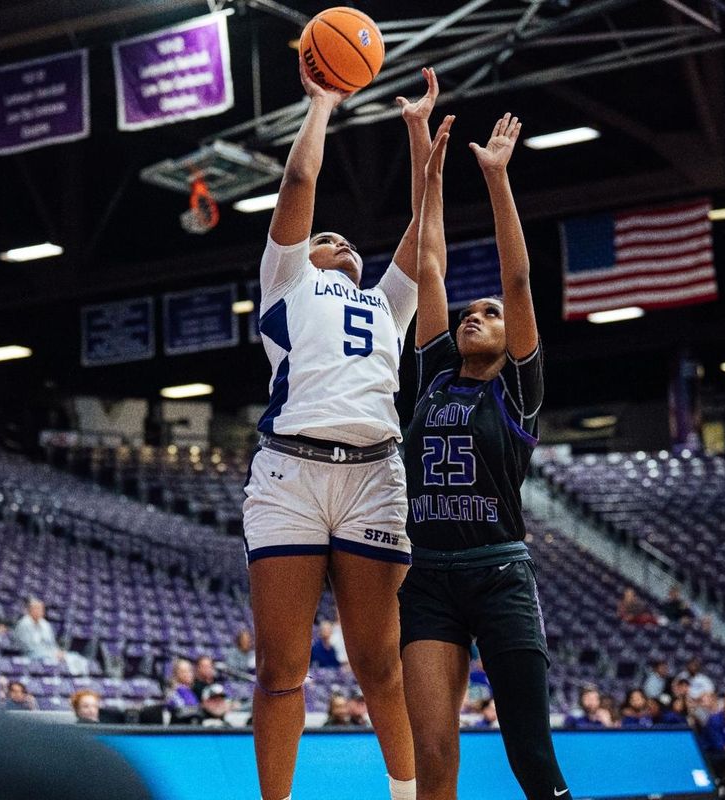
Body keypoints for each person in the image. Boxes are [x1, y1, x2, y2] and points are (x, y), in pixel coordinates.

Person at [242, 61, 443, 800]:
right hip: (291, 476)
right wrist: (323, 104)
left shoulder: (387, 303)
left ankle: (407, 795)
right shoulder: (287, 280)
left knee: (380, 663)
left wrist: (422, 142)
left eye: (350, 241)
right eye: (328, 238)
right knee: (280, 670)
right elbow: (298, 188)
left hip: (371, 477)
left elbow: (425, 234)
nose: (342, 242)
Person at [397, 110, 568, 800]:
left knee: (529, 748)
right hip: (427, 580)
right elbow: (428, 260)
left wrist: (496, 179)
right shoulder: (435, 373)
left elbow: (519, 281)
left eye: (489, 313)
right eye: (471, 311)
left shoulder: (519, 390)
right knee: (434, 753)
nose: (476, 314)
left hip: (499, 575)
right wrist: (425, 155)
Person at [166, 658, 201, 725]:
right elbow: (181, 712)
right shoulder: (175, 692)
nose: (188, 674)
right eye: (184, 671)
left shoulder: (190, 692)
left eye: (190, 671)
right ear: (176, 674)